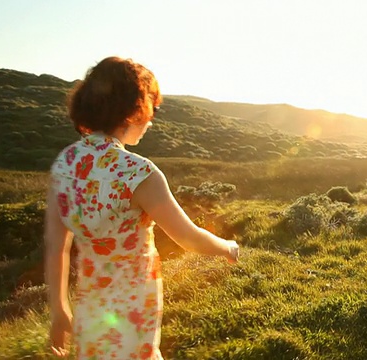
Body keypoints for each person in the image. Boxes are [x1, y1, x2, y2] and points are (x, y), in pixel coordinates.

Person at [44, 56, 239, 359]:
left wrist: (59, 310)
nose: (151, 119)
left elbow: (56, 246)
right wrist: (227, 247)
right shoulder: (137, 173)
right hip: (132, 307)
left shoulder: (64, 165)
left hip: (90, 306)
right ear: (134, 109)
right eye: (152, 108)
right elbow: (187, 237)